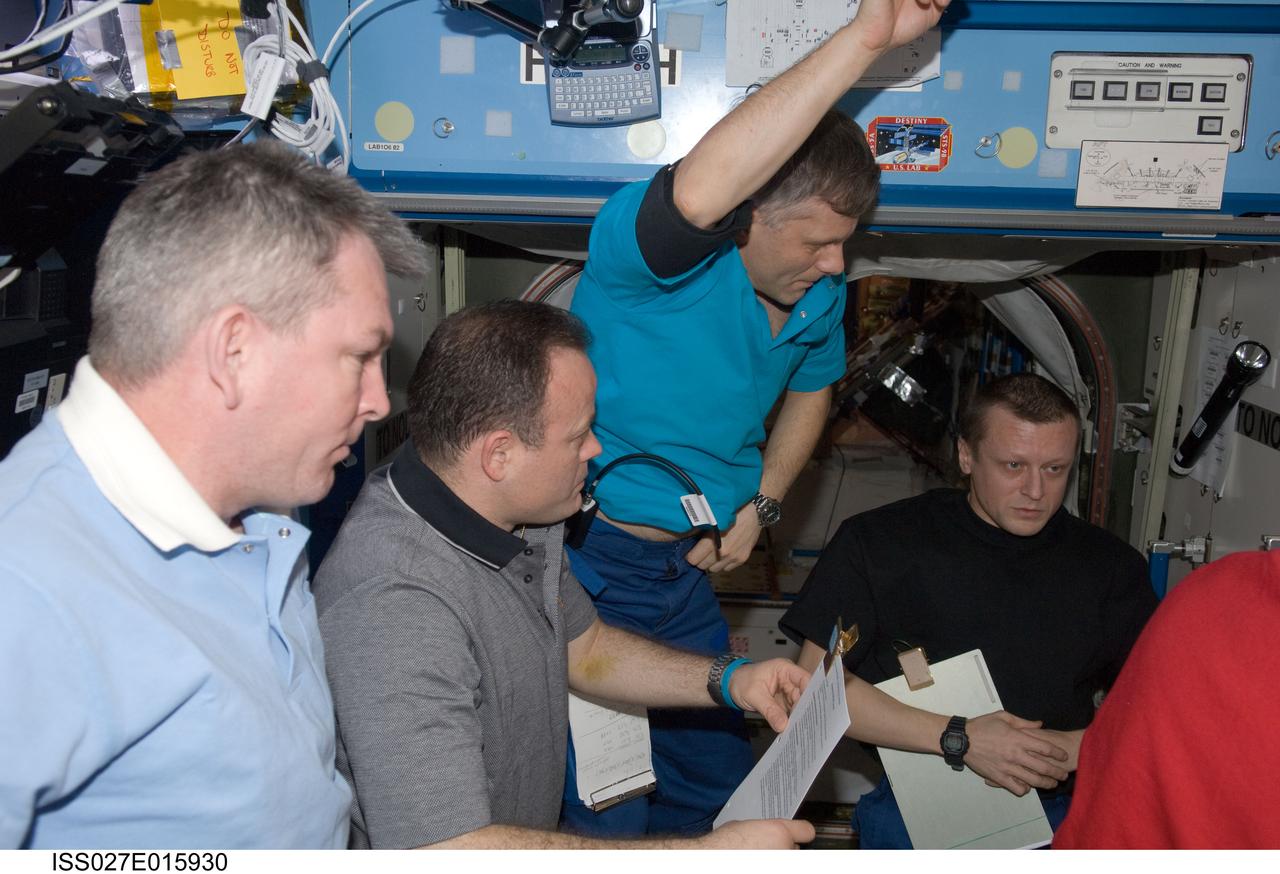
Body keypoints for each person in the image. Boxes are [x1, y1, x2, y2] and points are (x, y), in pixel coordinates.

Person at [563, 0, 953, 836]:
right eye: (815, 241)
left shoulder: (817, 296)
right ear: (746, 221)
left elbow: (813, 389)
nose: (835, 263)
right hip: (589, 570)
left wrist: (764, 500)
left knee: (726, 797)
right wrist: (864, 39)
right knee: (608, 812)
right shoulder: (649, 266)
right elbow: (701, 187)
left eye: (847, 241)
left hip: (687, 582)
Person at [0, 142, 430, 848]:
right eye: (359, 357)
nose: (380, 402)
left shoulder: (260, 514)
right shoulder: (24, 590)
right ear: (235, 352)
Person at [312, 300, 816, 849]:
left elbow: (587, 647)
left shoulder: (521, 513)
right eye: (578, 437)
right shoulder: (395, 607)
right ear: (498, 454)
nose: (596, 450)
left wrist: (729, 680)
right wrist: (703, 854)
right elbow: (443, 849)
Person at [780, 372, 1158, 848]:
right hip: (919, 807)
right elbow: (816, 691)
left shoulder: (1111, 567)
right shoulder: (880, 544)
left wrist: (1082, 746)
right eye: (1013, 465)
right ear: (966, 456)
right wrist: (961, 738)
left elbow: (1162, 703)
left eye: (1055, 469)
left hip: (1058, 809)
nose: (1035, 491)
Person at [1053, 549, 1280, 848]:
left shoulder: (1208, 583)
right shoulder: (1220, 590)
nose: (1034, 497)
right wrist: (969, 736)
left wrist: (1096, 743)